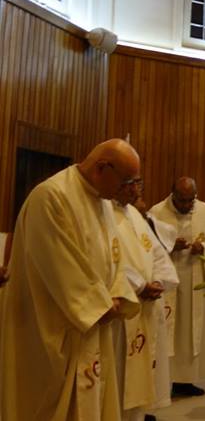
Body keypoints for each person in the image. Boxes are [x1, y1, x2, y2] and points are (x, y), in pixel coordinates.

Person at [0, 139, 142, 420]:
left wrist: (118, 296)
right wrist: (102, 306)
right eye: (125, 181)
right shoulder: (52, 197)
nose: (127, 190)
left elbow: (114, 257)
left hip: (92, 326)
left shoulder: (101, 199)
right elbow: (60, 267)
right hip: (55, 328)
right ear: (102, 168)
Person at [111, 179, 178, 421]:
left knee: (143, 368)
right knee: (118, 377)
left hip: (147, 305)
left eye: (138, 183)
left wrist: (160, 281)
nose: (136, 189)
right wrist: (139, 285)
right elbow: (106, 258)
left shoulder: (135, 216)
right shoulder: (103, 212)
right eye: (129, 182)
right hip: (122, 307)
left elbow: (158, 254)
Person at [150, 177, 205, 396]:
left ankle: (186, 380)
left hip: (195, 278)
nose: (186, 205)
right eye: (182, 200)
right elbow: (147, 245)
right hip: (168, 281)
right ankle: (166, 381)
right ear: (172, 194)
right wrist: (170, 246)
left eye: (190, 200)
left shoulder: (203, 209)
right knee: (170, 331)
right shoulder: (157, 212)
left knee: (190, 331)